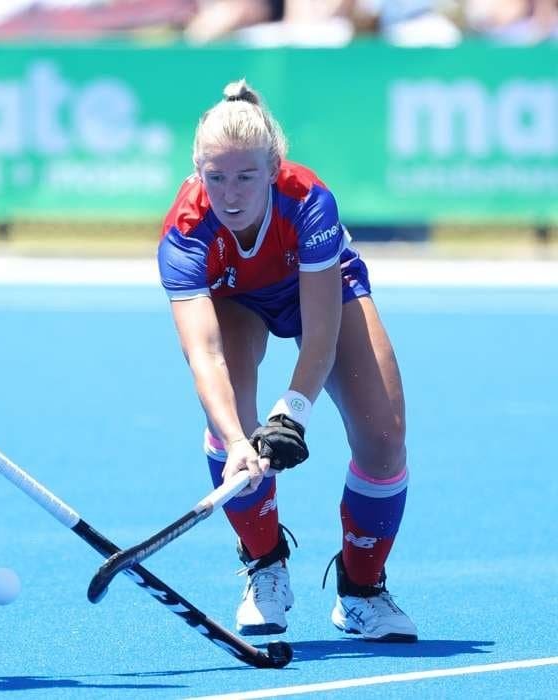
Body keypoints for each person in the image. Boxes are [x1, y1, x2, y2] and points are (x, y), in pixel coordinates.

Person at [157, 79, 417, 642]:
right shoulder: (183, 232)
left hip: (318, 289)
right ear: (197, 172)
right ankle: (265, 564)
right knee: (231, 416)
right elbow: (203, 353)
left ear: (273, 167)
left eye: (246, 176)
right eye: (216, 177)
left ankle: (362, 592)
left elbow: (319, 329)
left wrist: (291, 412)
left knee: (384, 435)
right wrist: (235, 440)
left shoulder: (308, 201)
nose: (230, 194)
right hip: (236, 299)